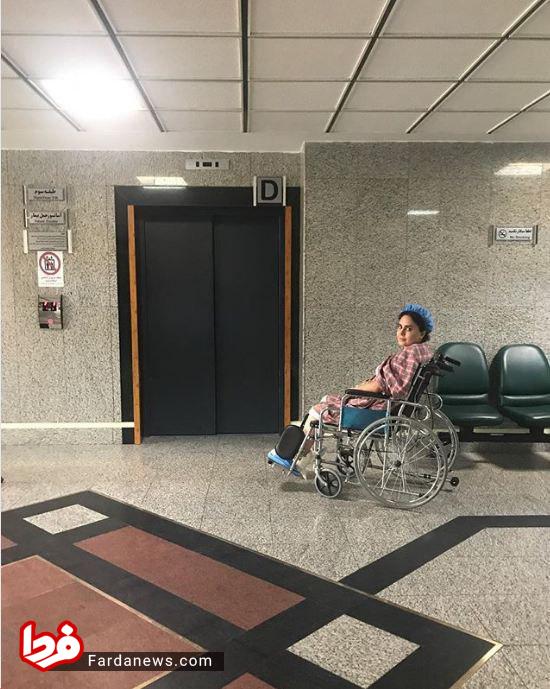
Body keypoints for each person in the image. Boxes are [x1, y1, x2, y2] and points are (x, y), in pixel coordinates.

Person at [267, 304, 435, 476]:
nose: (401, 332)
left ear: (422, 333)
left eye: (408, 329)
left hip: (377, 410)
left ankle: (294, 456)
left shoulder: (408, 355)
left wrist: (356, 389)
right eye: (399, 327)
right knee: (325, 401)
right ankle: (299, 453)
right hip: (385, 407)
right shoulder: (419, 353)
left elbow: (381, 385)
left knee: (317, 411)